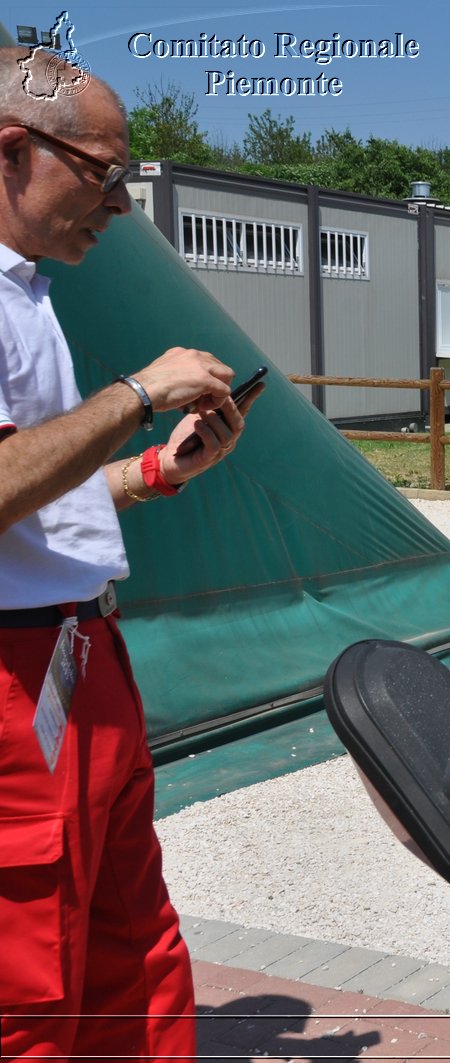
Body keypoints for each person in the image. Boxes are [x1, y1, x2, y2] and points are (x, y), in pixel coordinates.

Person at [0, 51, 260, 1057]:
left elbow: (36, 500)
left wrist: (158, 469)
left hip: (76, 655)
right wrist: (136, 393)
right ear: (15, 150)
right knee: (31, 973)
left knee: (128, 939)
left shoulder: (26, 291)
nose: (117, 202)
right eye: (104, 173)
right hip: (22, 674)